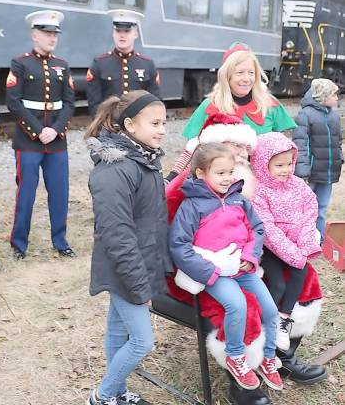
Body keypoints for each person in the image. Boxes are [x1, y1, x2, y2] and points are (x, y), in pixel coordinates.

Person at [169, 143, 283, 391]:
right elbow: (179, 245)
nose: (227, 178)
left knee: (271, 310)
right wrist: (211, 270)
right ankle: (235, 356)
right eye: (220, 173)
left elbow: (257, 229)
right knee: (237, 304)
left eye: (230, 172)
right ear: (201, 173)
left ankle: (268, 357)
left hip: (242, 268)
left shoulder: (239, 200)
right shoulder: (191, 206)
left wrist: (250, 256)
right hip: (216, 272)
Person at [85, 90, 172, 405]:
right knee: (142, 341)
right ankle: (103, 395)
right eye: (155, 122)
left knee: (117, 330)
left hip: (138, 261)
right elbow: (117, 233)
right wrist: (139, 282)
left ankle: (116, 393)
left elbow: (147, 214)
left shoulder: (144, 159)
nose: (162, 129)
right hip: (125, 267)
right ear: (131, 125)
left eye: (164, 122)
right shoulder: (116, 170)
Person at [165, 42, 296, 182]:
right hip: (219, 184)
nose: (246, 79)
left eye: (251, 73)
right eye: (240, 73)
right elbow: (193, 151)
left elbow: (284, 149)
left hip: (262, 185)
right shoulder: (210, 105)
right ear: (227, 76)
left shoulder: (270, 105)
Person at [6, 10, 76, 259]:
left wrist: (55, 130)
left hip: (56, 142)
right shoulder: (21, 63)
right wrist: (38, 131)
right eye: (46, 33)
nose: (51, 38)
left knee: (59, 192)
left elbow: (69, 104)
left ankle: (60, 241)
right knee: (26, 192)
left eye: (54, 33)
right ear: (34, 35)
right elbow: (13, 102)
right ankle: (19, 244)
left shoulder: (62, 65)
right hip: (28, 142)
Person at [250, 132, 322, 354]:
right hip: (270, 249)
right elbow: (268, 229)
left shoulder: (297, 185)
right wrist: (294, 253)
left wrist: (305, 242)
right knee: (278, 283)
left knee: (299, 274)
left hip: (295, 245)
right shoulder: (260, 191)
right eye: (279, 165)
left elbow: (310, 210)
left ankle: (283, 319)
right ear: (263, 164)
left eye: (289, 163)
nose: (285, 169)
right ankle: (265, 325)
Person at [293, 78, 343, 243]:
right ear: (323, 95)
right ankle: (301, 239)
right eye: (334, 94)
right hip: (311, 172)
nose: (337, 97)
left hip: (327, 172)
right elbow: (301, 144)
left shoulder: (334, 116)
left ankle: (319, 240)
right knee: (304, 208)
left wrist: (339, 158)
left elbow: (338, 140)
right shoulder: (305, 115)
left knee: (322, 208)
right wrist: (302, 171)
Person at [86, 9, 160, 117]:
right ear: (113, 33)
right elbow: (94, 104)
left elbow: (153, 103)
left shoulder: (148, 65)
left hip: (137, 128)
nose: (122, 35)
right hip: (108, 127)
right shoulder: (99, 63)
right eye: (118, 31)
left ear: (135, 34)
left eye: (127, 31)